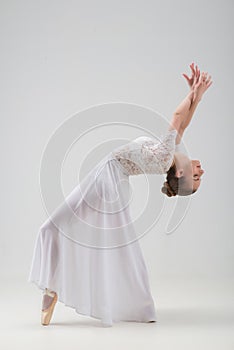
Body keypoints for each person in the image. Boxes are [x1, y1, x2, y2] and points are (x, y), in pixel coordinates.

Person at [28, 63, 212, 327]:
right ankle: (52, 285)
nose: (200, 169)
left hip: (107, 181)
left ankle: (53, 286)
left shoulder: (163, 158)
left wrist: (192, 94)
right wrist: (197, 96)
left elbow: (175, 116)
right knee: (59, 228)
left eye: (196, 177)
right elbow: (184, 123)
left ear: (180, 175)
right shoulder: (169, 154)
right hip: (106, 177)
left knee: (58, 228)